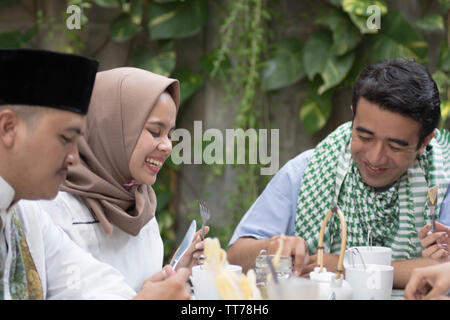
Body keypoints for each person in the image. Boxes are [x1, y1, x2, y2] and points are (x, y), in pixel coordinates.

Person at [227, 58, 450, 289]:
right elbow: (234, 257)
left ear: (424, 142)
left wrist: (347, 268)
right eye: (364, 137)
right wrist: (272, 247)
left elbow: (445, 271)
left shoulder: (442, 181)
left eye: (395, 146)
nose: (375, 158)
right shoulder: (306, 173)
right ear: (353, 117)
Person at [0, 48, 190, 299]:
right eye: (66, 138)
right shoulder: (44, 208)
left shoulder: (24, 214)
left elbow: (93, 284)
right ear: (8, 128)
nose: (75, 157)